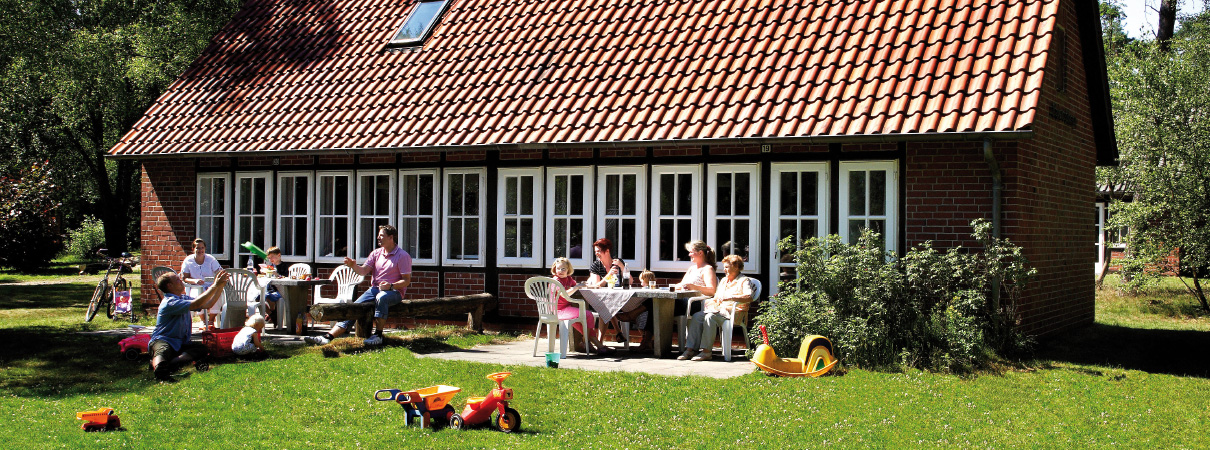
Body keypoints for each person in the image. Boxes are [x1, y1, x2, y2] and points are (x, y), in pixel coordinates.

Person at [305, 225, 411, 347]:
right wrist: (353, 266)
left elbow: (406, 281)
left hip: (395, 292)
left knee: (382, 297)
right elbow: (363, 271)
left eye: (381, 235)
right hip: (375, 289)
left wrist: (391, 286)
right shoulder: (376, 253)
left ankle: (378, 335)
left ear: (391, 238)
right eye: (378, 235)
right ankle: (328, 337)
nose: (378, 238)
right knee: (354, 308)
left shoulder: (403, 256)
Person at [150, 269, 230, 381]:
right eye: (177, 280)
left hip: (181, 342)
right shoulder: (169, 302)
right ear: (169, 285)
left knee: (202, 349)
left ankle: (169, 363)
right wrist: (214, 285)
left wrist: (220, 286)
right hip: (163, 339)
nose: (181, 281)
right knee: (163, 350)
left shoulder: (182, 298)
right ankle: (159, 369)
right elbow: (196, 304)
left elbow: (208, 304)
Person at [678, 255, 753, 361]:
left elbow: (749, 296)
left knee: (710, 317)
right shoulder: (724, 281)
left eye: (727, 267)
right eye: (724, 267)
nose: (724, 270)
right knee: (697, 316)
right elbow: (717, 297)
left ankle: (706, 352)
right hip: (718, 310)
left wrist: (731, 297)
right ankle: (691, 349)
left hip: (733, 313)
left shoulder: (744, 281)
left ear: (736, 267)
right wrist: (710, 302)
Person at [550, 257, 614, 355]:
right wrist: (576, 287)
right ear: (555, 269)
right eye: (558, 268)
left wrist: (592, 285)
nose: (560, 271)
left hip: (566, 309)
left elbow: (578, 286)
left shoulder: (568, 279)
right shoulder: (556, 281)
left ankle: (596, 346)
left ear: (568, 270)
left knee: (584, 324)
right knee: (588, 315)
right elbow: (564, 294)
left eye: (563, 269)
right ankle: (589, 344)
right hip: (557, 310)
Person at [181, 238, 224, 329]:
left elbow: (219, 272)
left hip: (211, 285)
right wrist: (195, 281)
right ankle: (203, 321)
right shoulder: (188, 260)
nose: (200, 250)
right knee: (197, 295)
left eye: (202, 248)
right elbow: (184, 278)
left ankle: (211, 321)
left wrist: (217, 279)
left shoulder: (210, 259)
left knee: (217, 294)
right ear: (193, 249)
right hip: (196, 286)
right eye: (198, 248)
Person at [673, 240, 718, 317]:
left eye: (691, 252)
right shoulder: (692, 268)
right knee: (657, 300)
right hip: (684, 299)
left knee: (665, 304)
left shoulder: (707, 269)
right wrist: (675, 286)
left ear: (700, 253)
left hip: (695, 302)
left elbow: (712, 291)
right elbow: (682, 284)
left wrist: (694, 287)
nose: (689, 254)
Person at [256, 246, 285, 321]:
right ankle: (271, 314)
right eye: (269, 258)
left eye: (272, 257)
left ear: (278, 255)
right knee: (257, 297)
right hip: (270, 289)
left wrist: (276, 274)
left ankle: (273, 314)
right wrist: (264, 273)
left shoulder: (284, 266)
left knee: (269, 296)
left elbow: (285, 278)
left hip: (280, 290)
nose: (270, 259)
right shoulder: (270, 267)